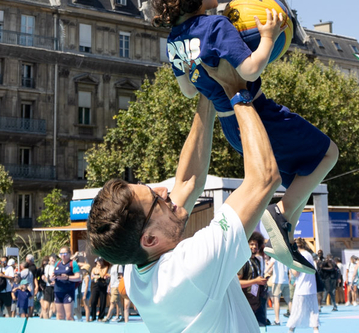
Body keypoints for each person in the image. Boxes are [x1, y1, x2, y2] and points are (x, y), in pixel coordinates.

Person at [154, 0, 338, 274]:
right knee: (328, 154)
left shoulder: (174, 39)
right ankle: (281, 213)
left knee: (298, 172)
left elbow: (188, 90)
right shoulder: (216, 26)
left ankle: (284, 232)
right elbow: (250, 70)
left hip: (231, 128)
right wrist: (267, 38)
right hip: (258, 114)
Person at [86, 65, 283, 333]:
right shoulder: (189, 268)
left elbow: (188, 181)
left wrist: (208, 89)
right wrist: (235, 89)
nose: (163, 190)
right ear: (150, 239)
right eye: (155, 199)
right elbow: (265, 178)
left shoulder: (136, 267)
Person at [287, 239, 321, 333]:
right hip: (311, 287)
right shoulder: (309, 255)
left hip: (301, 287)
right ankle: (316, 330)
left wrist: (291, 264)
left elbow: (296, 273)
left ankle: (291, 330)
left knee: (296, 311)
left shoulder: (299, 256)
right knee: (313, 311)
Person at [239, 232, 269, 328]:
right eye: (251, 244)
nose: (254, 247)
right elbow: (237, 283)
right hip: (245, 305)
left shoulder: (257, 261)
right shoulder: (243, 261)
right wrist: (255, 281)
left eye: (256, 244)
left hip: (257, 304)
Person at [48, 248, 80, 321]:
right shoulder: (57, 263)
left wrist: (67, 277)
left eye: (65, 253)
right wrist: (52, 278)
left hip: (68, 292)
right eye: (61, 253)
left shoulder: (73, 263)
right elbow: (52, 276)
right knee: (60, 316)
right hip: (58, 292)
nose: (63, 255)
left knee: (69, 316)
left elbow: (78, 277)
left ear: (69, 254)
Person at [270, 249, 291, 326]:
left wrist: (265, 272)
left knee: (276, 300)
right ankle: (293, 318)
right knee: (288, 300)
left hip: (277, 281)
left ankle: (277, 320)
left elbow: (271, 264)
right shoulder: (287, 257)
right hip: (285, 281)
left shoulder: (275, 255)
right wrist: (289, 280)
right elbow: (290, 270)